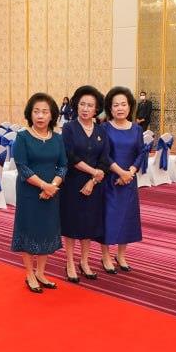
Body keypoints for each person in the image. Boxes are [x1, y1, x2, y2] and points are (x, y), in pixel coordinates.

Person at [12, 92, 68, 291]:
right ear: (30, 113)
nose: (40, 116)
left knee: (46, 229)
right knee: (29, 229)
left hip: (52, 192)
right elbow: (22, 167)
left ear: (52, 115)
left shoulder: (58, 138)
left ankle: (40, 272)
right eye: (36, 111)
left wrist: (53, 186)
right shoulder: (23, 137)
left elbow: (63, 165)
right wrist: (45, 186)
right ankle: (30, 274)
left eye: (45, 112)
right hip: (30, 192)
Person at [60, 85, 109, 282]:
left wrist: (93, 180)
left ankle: (85, 261)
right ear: (76, 105)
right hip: (72, 183)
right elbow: (70, 156)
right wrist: (93, 172)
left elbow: (104, 159)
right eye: (82, 104)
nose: (85, 109)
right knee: (72, 224)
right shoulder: (69, 128)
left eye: (90, 105)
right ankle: (70, 262)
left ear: (96, 109)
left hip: (94, 185)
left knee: (89, 225)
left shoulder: (101, 130)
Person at [102, 86, 144, 274]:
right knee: (108, 218)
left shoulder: (137, 129)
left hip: (129, 181)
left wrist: (131, 172)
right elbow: (104, 155)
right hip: (110, 180)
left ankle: (121, 255)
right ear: (110, 108)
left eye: (123, 104)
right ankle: (105, 256)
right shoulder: (105, 128)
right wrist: (121, 173)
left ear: (129, 106)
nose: (120, 108)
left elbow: (141, 153)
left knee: (127, 218)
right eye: (115, 105)